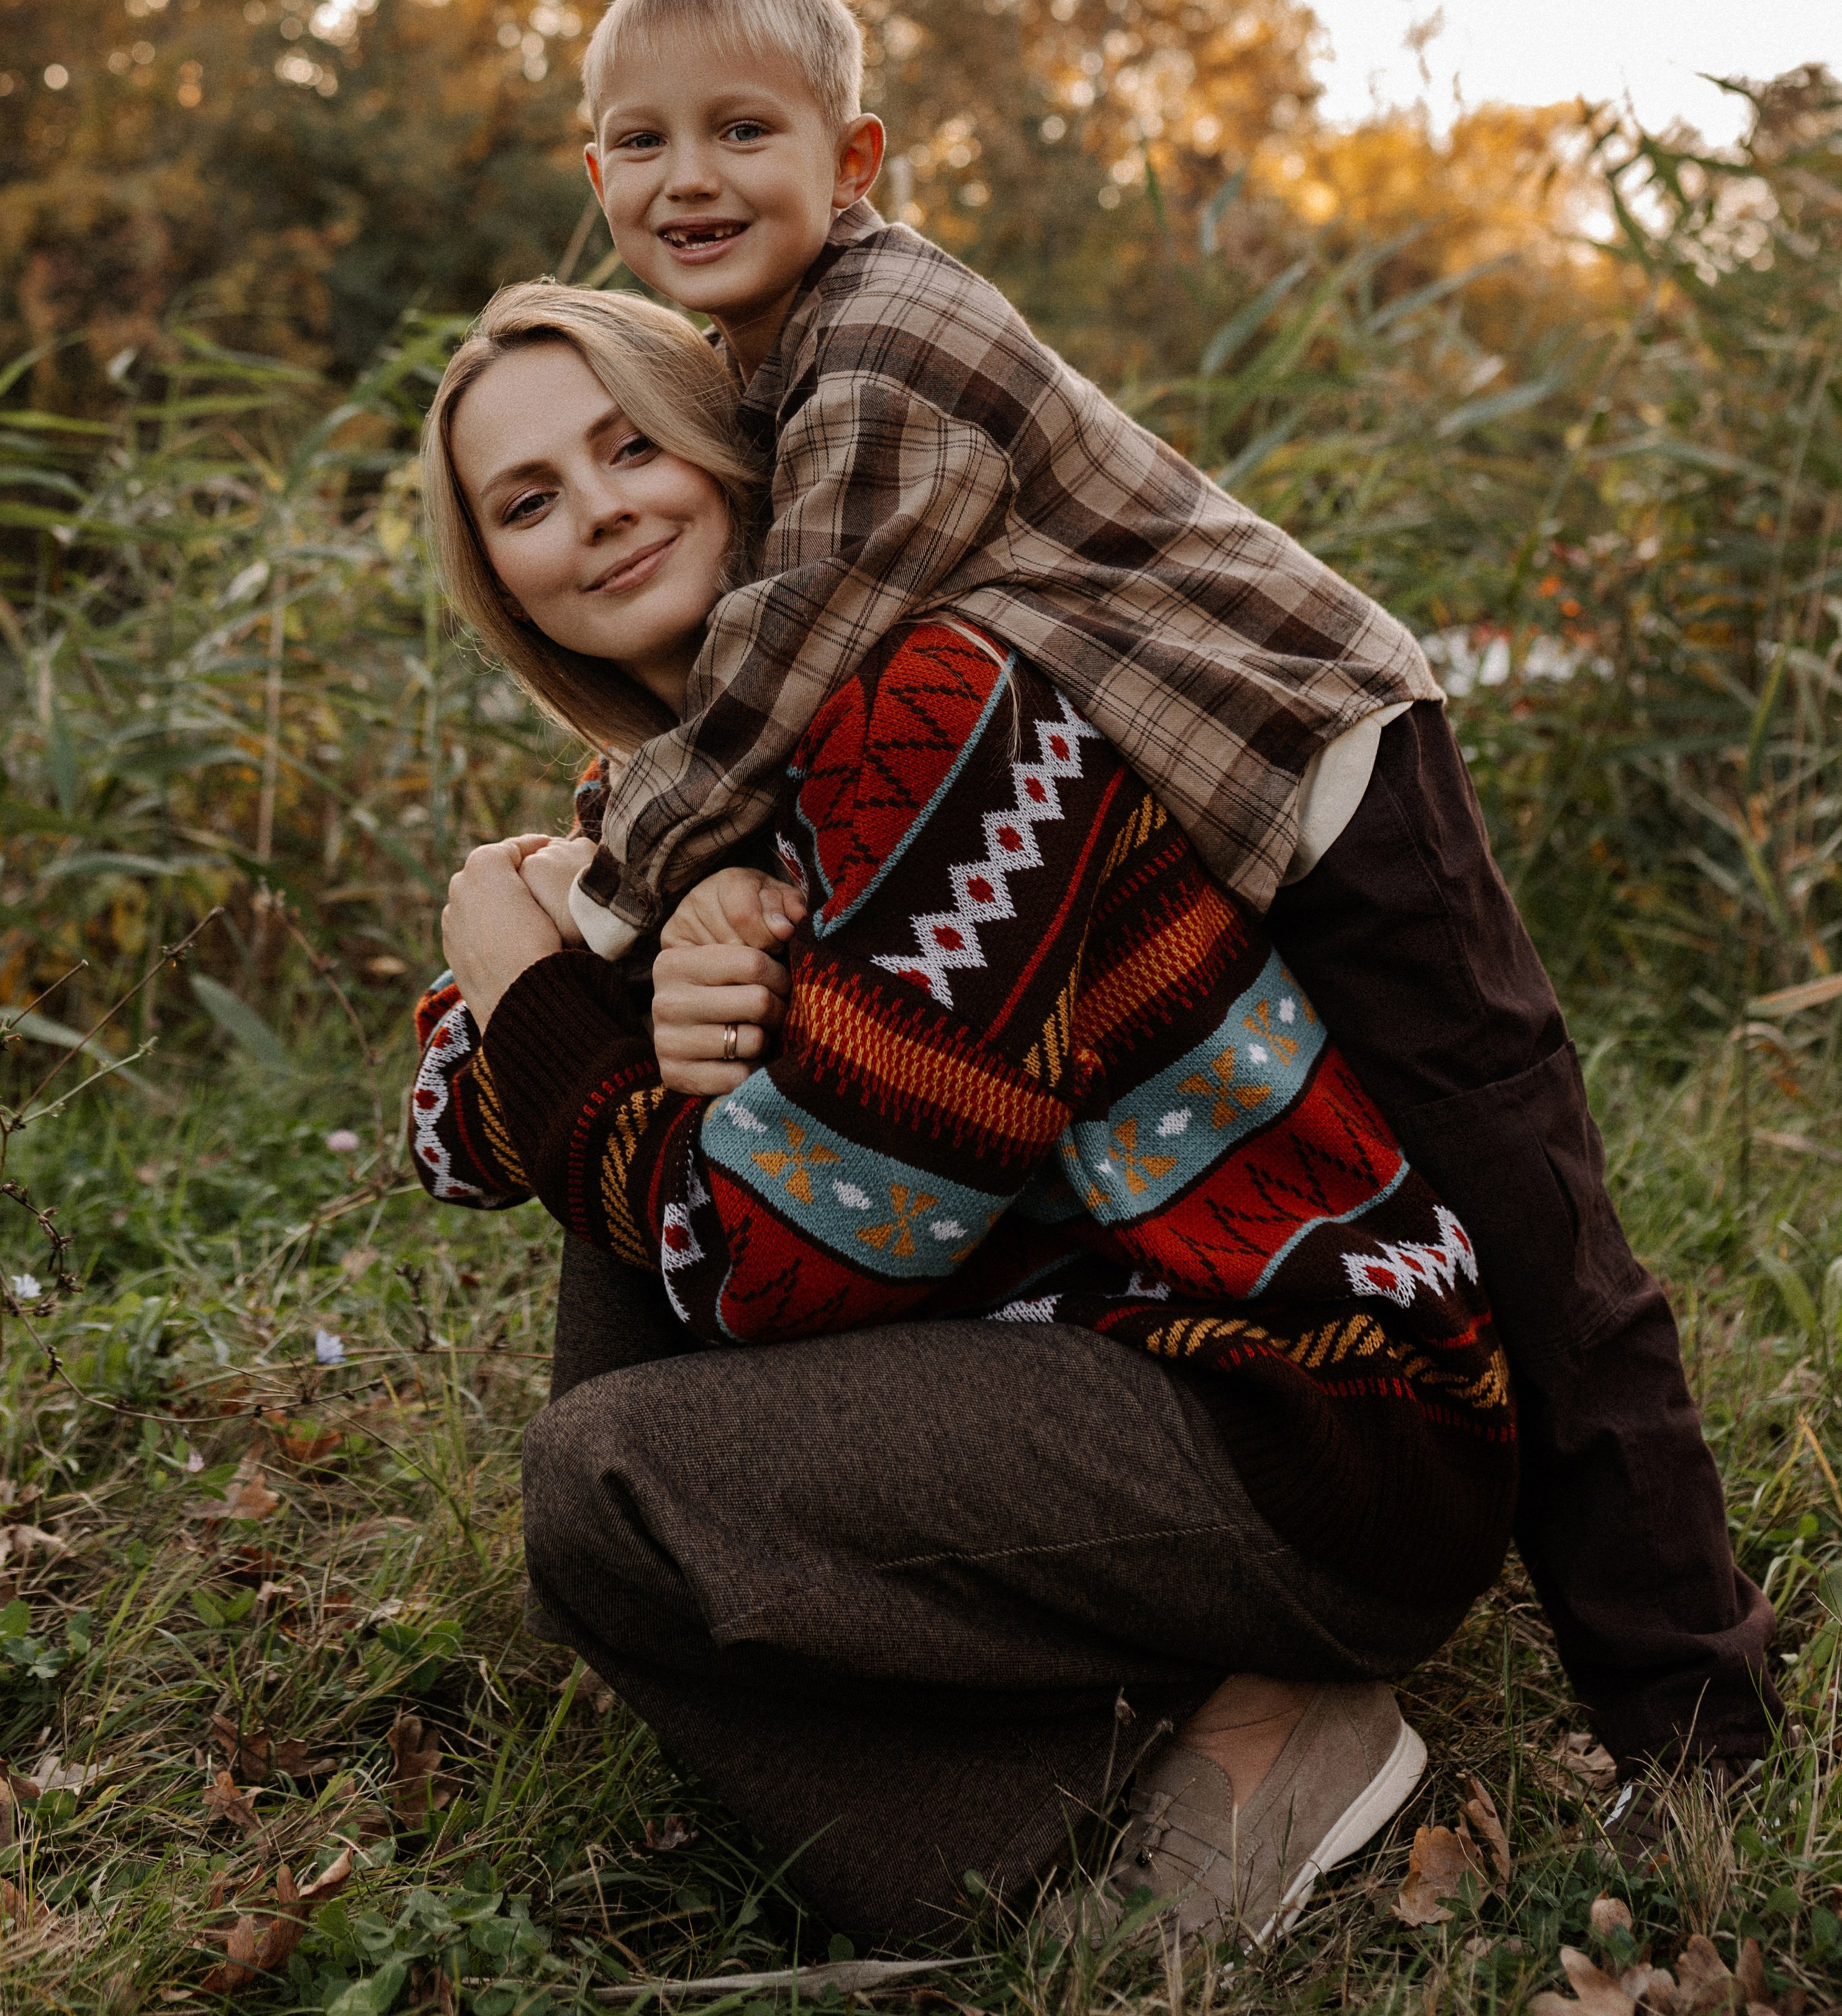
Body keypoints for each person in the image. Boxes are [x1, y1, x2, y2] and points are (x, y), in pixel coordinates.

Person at [553, 0, 1777, 1786]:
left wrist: (599, 879)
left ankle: (1692, 1712)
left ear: (855, 157)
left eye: (744, 128)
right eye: (641, 143)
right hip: (1230, 804)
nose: (690, 177)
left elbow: (782, 666)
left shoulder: (885, 345)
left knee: (1533, 1224)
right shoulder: (769, 368)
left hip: (1325, 771)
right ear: (594, 181)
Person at [407, 283, 1519, 1949]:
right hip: (1077, 1367)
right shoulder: (681, 809)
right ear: (503, 582)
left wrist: (528, 979)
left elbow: (771, 1270)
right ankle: (1126, 1713)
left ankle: (1195, 1779)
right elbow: (447, 1136)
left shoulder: (932, 708)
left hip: (1305, 1419)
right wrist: (610, 959)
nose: (600, 510)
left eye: (631, 443)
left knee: (614, 1478)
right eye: (528, 501)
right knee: (634, 1232)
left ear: (729, 455)